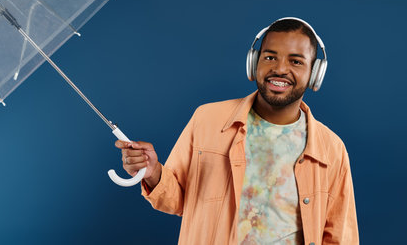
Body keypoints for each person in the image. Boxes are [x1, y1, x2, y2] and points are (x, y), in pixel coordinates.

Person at [115, 17, 359, 245]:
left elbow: (341, 237)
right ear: (254, 62)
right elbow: (177, 200)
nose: (280, 69)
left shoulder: (331, 149)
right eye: (270, 57)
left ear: (315, 74)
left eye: (296, 61)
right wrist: (153, 171)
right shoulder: (207, 119)